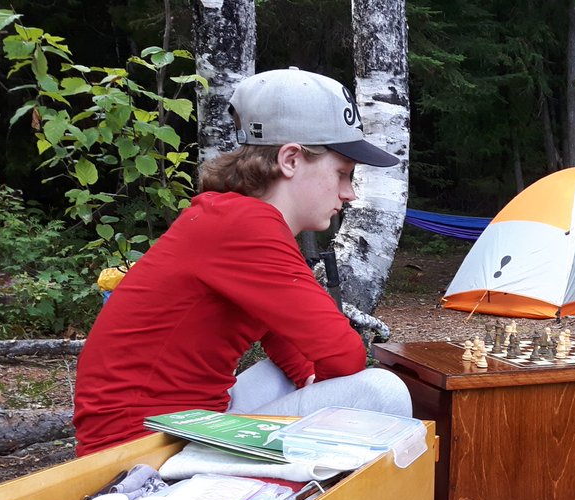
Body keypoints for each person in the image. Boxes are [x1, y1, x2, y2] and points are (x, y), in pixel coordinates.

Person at [73, 68, 412, 456]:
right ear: (290, 159)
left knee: (287, 375)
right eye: (342, 173)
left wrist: (312, 383)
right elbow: (344, 353)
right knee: (380, 393)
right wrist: (332, 411)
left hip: (178, 423)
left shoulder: (230, 217)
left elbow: (283, 338)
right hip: (140, 448)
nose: (349, 193)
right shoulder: (247, 225)